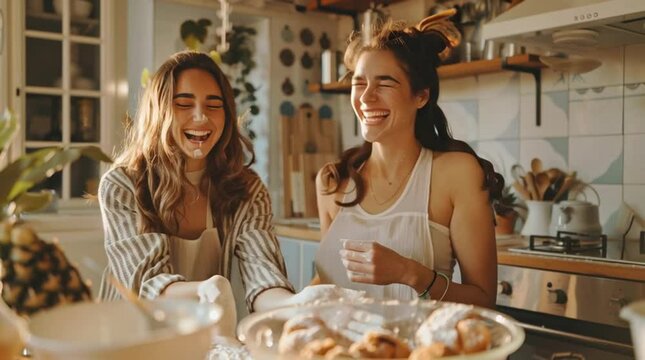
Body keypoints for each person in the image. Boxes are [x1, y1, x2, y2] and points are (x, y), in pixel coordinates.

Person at [314, 11, 503, 308]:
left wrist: (409, 273)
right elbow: (329, 283)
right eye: (359, 83)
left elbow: (483, 302)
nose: (366, 98)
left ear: (421, 96)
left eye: (385, 83)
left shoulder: (456, 174)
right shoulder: (333, 181)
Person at [97, 51, 299, 316]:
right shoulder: (122, 185)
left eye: (214, 105)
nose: (202, 116)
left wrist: (298, 305)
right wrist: (205, 289)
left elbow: (263, 273)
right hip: (130, 337)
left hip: (200, 335)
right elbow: (145, 283)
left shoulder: (246, 190)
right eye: (184, 103)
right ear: (159, 110)